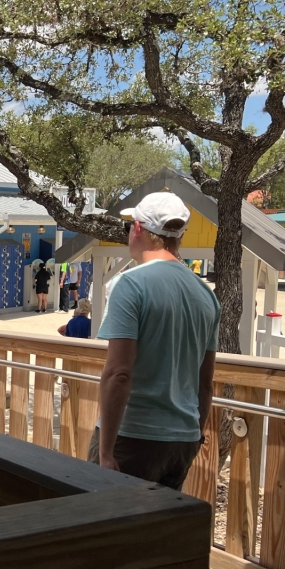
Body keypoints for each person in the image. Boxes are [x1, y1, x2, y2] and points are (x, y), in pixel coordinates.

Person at [89, 191, 221, 491]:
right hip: (182, 440)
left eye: (129, 226)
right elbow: (205, 383)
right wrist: (195, 436)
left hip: (134, 436)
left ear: (137, 228)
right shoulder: (205, 294)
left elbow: (119, 373)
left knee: (105, 518)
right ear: (180, 235)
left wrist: (106, 451)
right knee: (159, 520)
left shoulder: (131, 284)